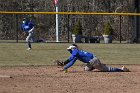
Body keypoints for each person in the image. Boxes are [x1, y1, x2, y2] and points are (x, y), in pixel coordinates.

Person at [58, 44, 129, 72]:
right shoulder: (77, 53)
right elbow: (72, 62)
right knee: (86, 69)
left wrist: (64, 63)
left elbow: (70, 59)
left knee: (107, 69)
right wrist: (65, 67)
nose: (69, 51)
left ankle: (122, 69)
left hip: (94, 60)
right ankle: (97, 66)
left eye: (70, 50)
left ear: (73, 49)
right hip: (91, 62)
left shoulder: (75, 51)